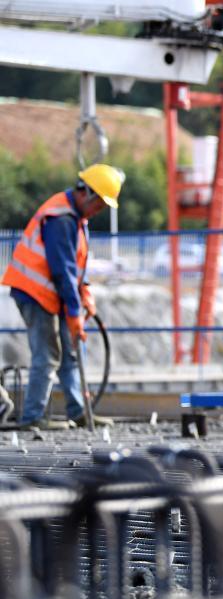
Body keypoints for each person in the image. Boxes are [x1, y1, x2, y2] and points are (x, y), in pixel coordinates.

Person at [1, 164, 123, 429]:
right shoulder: (62, 219)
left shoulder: (76, 219)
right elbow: (62, 271)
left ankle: (78, 411)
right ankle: (33, 417)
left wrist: (85, 293)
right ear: (87, 194)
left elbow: (76, 267)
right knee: (48, 353)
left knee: (70, 351)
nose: (98, 211)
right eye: (99, 204)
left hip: (51, 292)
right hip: (34, 292)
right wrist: (74, 312)